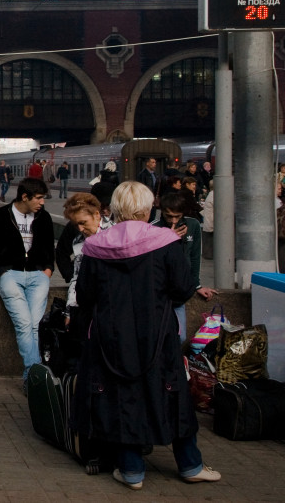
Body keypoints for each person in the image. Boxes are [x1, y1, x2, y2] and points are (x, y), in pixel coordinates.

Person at [73, 181, 221, 490]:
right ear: (148, 207)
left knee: (121, 396)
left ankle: (132, 471)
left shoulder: (95, 247)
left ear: (112, 209)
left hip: (112, 337)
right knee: (173, 394)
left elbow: (85, 296)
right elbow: (182, 288)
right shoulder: (166, 241)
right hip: (158, 334)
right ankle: (190, 464)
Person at [0, 177, 54, 391]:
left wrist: (47, 269)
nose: (42, 203)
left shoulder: (44, 218)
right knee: (24, 324)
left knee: (34, 326)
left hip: (38, 276)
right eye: (39, 198)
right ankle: (34, 377)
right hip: (10, 274)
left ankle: (33, 379)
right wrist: (1, 271)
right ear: (25, 197)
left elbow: (49, 246)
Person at [152, 191, 216, 342]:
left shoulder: (192, 225)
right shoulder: (153, 228)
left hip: (178, 290)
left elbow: (194, 258)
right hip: (158, 289)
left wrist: (196, 284)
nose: (173, 221)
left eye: (177, 216)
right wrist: (167, 238)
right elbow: (152, 260)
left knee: (180, 337)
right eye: (169, 216)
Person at [59, 192, 112, 334]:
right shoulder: (79, 240)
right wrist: (69, 311)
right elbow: (77, 276)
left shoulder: (115, 232)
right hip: (89, 305)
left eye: (83, 223)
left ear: (96, 214)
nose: (80, 229)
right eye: (76, 225)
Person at [201, 180, 214, 260]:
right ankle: (209, 255)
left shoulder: (211, 194)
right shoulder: (214, 195)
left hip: (209, 220)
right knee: (210, 240)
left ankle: (208, 254)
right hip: (211, 221)